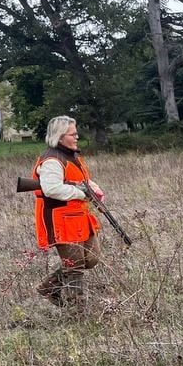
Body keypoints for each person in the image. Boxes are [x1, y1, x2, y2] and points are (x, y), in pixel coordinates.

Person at [32, 115, 105, 307]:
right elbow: (52, 189)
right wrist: (81, 194)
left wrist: (94, 188)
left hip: (79, 218)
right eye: (73, 134)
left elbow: (83, 180)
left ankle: (49, 286)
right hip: (61, 220)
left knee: (92, 257)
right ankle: (77, 311)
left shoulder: (72, 156)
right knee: (75, 266)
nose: (77, 137)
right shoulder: (52, 161)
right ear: (60, 136)